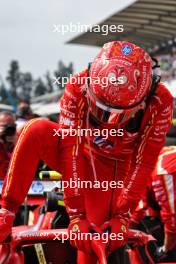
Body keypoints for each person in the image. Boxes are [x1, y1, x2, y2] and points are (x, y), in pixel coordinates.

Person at [0, 41, 173, 263]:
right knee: (35, 129)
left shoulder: (161, 101)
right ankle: (5, 212)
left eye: (118, 115)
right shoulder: (77, 84)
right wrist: (76, 214)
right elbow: (69, 149)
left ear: (142, 102)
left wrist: (123, 214)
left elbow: (144, 162)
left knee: (94, 242)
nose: (108, 123)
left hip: (116, 171)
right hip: (78, 153)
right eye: (99, 110)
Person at [0, 111, 17, 179]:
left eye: (12, 126)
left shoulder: (19, 142)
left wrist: (18, 145)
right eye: (5, 126)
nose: (9, 129)